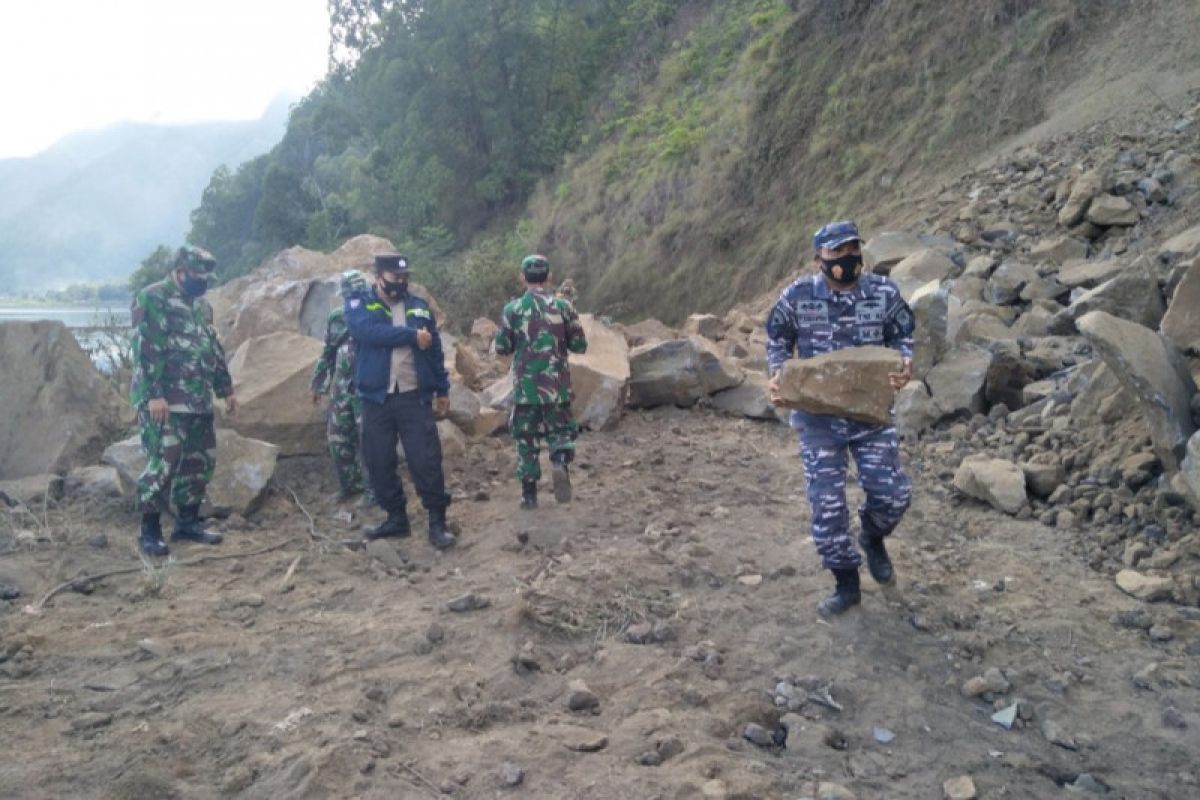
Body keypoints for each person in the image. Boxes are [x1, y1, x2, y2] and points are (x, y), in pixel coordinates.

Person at [765, 221, 915, 616]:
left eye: (853, 250)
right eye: (837, 253)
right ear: (819, 259)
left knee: (893, 496)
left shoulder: (882, 292)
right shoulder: (797, 296)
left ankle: (872, 535)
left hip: (871, 415)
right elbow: (777, 338)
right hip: (818, 420)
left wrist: (904, 364)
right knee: (827, 509)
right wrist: (778, 375)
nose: (847, 259)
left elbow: (903, 335)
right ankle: (846, 583)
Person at [129, 245, 237, 556]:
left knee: (199, 461)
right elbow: (145, 349)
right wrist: (154, 395)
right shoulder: (152, 297)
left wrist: (226, 389)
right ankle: (149, 531)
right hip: (164, 401)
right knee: (163, 463)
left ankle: (187, 523)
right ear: (180, 270)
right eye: (196, 275)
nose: (201, 281)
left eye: (206, 277)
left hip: (197, 399)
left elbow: (211, 350)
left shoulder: (201, 307)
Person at [344, 253, 456, 550]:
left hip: (413, 396)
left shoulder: (419, 307)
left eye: (405, 278)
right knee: (379, 461)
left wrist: (442, 389)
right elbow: (366, 332)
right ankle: (396, 518)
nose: (401, 283)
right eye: (396, 277)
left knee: (426, 460)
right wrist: (409, 336)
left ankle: (437, 522)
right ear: (378, 275)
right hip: (376, 398)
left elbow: (434, 351)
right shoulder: (360, 303)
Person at [494, 255, 588, 509]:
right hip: (557, 387)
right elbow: (580, 345)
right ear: (548, 278)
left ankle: (529, 495)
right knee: (561, 432)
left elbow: (501, 347)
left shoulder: (512, 310)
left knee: (526, 439)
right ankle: (558, 461)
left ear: (522, 277)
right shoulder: (564, 307)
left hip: (526, 389)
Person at [311, 270, 375, 504]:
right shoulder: (337, 318)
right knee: (338, 439)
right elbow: (328, 352)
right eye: (349, 296)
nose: (354, 299)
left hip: (366, 390)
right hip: (341, 389)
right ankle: (350, 485)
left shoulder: (376, 315)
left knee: (369, 441)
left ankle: (374, 491)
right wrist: (318, 384)